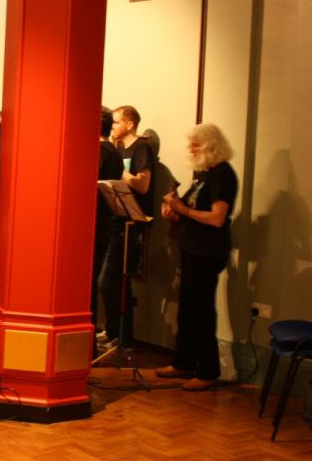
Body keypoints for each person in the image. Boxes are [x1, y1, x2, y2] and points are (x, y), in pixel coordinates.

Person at [157, 123, 238, 391]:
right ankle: (184, 362)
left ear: (212, 146)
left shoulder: (222, 175)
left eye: (196, 144)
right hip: (192, 248)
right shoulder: (203, 174)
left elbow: (217, 218)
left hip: (207, 251)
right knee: (188, 308)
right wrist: (175, 211)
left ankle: (207, 370)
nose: (191, 149)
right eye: (190, 144)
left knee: (201, 310)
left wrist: (183, 209)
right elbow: (192, 209)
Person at [98, 104, 156, 344]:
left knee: (114, 279)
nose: (113, 127)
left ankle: (123, 334)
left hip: (132, 221)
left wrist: (118, 171)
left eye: (116, 122)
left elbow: (142, 185)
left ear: (130, 124)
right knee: (109, 279)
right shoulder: (117, 149)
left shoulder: (142, 148)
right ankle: (112, 331)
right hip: (115, 218)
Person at [93, 107, 124, 339]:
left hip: (92, 223)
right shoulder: (113, 151)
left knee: (86, 288)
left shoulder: (98, 151)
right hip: (105, 221)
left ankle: (85, 344)